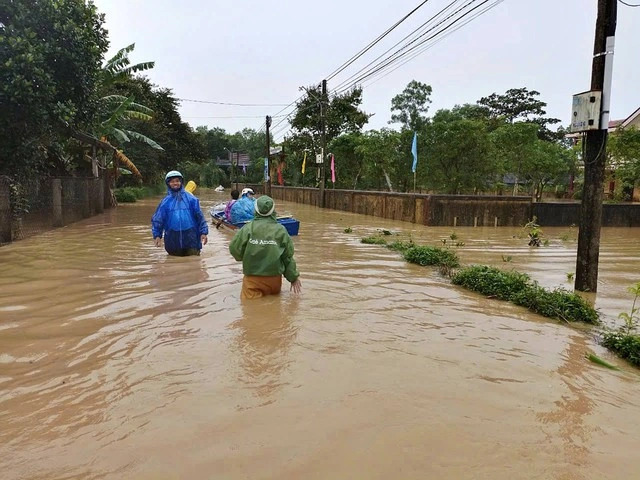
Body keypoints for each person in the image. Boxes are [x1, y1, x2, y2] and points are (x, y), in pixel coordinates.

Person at [229, 195, 302, 300]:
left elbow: (234, 249)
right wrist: (293, 277)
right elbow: (288, 257)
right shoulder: (281, 230)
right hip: (274, 281)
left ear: (256, 210)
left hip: (252, 280)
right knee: (274, 309)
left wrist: (244, 256)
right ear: (273, 211)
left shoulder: (247, 229)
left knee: (251, 310)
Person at [151, 170, 208, 256]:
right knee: (174, 263)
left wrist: (203, 232)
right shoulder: (165, 202)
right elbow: (158, 220)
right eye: (172, 181)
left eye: (177, 181)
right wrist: (157, 236)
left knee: (193, 261)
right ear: (168, 183)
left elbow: (199, 216)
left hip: (191, 236)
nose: (175, 183)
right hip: (172, 237)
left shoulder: (191, 199)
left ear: (181, 182)